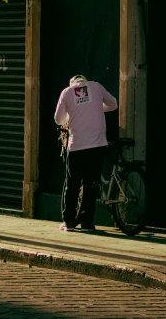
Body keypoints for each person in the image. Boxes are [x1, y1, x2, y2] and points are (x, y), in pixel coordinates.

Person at [54, 74, 118, 232]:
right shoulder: (96, 86)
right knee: (91, 184)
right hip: (97, 146)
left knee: (72, 184)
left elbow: (58, 119)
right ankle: (87, 223)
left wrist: (72, 113)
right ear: (84, 81)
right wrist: (96, 106)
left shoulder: (67, 92)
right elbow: (113, 104)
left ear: (73, 83)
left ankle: (68, 222)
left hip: (76, 146)